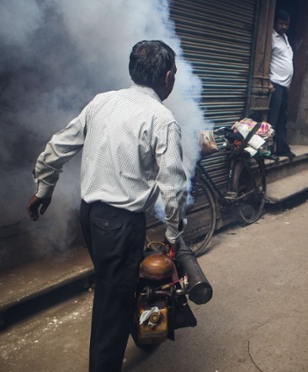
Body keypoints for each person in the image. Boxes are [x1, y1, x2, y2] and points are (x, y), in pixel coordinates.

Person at [25, 40, 187, 371]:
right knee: (111, 307)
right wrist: (173, 231)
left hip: (92, 217)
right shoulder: (162, 118)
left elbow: (59, 145)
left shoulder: (103, 102)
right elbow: (174, 186)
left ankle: (139, 324)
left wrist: (44, 187)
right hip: (121, 225)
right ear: (168, 77)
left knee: (115, 286)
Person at [268, 9, 296, 158]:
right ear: (275, 22)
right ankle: (268, 150)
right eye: (281, 23)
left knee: (282, 119)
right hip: (275, 83)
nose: (284, 26)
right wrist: (267, 81)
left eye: (287, 24)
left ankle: (282, 148)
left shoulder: (284, 38)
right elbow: (265, 58)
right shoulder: (271, 37)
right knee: (272, 119)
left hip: (284, 86)